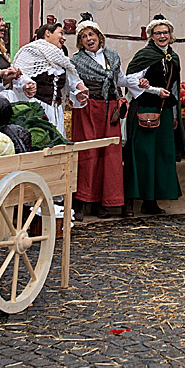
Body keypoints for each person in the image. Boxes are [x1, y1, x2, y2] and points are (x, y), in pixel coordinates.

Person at [70, 16, 154, 219]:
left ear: (99, 36)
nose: (88, 39)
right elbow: (73, 82)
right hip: (88, 108)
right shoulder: (75, 61)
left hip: (110, 111)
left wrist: (140, 82)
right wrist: (79, 94)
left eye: (91, 34)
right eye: (83, 36)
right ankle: (81, 202)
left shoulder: (112, 56)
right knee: (88, 154)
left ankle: (103, 203)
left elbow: (121, 80)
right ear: (80, 42)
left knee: (109, 156)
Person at [122, 15, 185, 216]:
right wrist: (153, 89)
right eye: (158, 33)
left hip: (165, 113)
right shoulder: (145, 55)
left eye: (165, 32)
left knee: (159, 157)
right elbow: (130, 80)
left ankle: (150, 201)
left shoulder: (173, 58)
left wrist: (175, 113)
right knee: (141, 156)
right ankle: (129, 202)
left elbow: (174, 87)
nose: (162, 36)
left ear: (170, 34)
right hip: (145, 111)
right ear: (151, 36)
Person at [11, 22, 88, 136]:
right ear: (47, 33)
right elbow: (19, 74)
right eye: (61, 33)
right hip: (37, 108)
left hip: (56, 111)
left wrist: (80, 89)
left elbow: (72, 78)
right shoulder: (31, 51)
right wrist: (26, 84)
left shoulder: (61, 57)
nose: (64, 38)